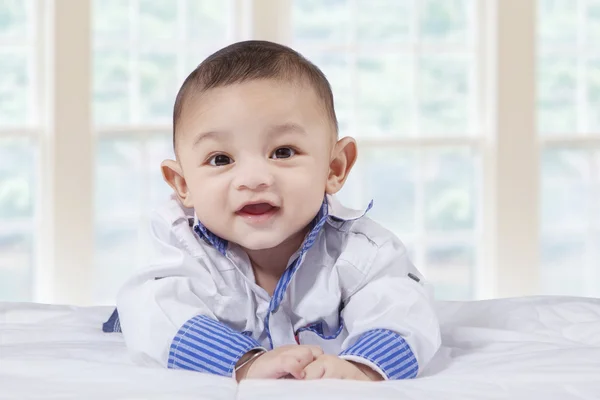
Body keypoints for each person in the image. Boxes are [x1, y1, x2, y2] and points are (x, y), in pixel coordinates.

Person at [115, 40, 441, 382]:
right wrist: (245, 362)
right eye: (221, 159)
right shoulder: (178, 242)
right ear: (183, 185)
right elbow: (152, 309)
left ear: (334, 167)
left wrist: (361, 369)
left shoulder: (361, 251)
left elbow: (405, 308)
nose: (253, 179)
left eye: (283, 152)